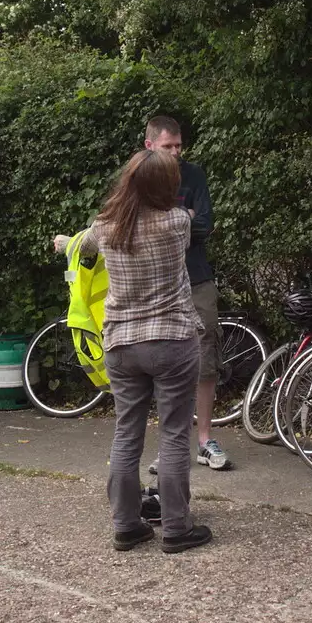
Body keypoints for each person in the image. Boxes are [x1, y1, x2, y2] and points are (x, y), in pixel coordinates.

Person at [53, 149, 212, 554]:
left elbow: (81, 244)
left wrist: (63, 244)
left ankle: (126, 524)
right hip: (172, 340)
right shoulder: (177, 223)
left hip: (121, 344)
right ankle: (176, 528)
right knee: (174, 434)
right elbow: (190, 219)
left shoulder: (107, 227)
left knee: (127, 433)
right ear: (167, 187)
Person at [143, 115, 233, 470]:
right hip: (156, 283)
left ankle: (204, 439)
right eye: (168, 146)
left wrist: (169, 218)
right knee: (162, 363)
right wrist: (184, 215)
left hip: (196, 279)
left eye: (179, 145)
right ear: (150, 145)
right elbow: (136, 225)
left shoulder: (194, 175)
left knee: (204, 356)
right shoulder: (139, 178)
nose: (176, 153)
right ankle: (171, 445)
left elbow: (205, 224)